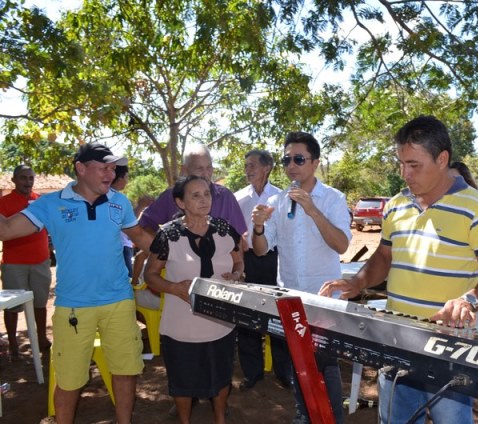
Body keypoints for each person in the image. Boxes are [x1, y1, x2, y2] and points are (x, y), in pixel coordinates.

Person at [319, 115, 478, 424]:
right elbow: (383, 258)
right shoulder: (395, 205)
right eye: (400, 163)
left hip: (449, 344)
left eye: (414, 164)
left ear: (442, 158)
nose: (404, 173)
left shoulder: (477, 209)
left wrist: (468, 301)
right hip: (398, 340)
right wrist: (357, 282)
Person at [0, 143, 153, 424]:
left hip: (119, 301)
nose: (111, 173)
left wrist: (178, 252)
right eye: (104, 167)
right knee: (69, 379)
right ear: (81, 169)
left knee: (125, 370)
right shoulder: (51, 203)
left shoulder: (119, 202)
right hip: (73, 306)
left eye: (113, 168)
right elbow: (7, 230)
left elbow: (140, 237)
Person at [251, 131, 352, 424]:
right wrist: (258, 227)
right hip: (291, 298)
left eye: (299, 159)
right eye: (286, 160)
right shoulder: (277, 200)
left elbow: (342, 245)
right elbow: (260, 250)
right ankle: (303, 414)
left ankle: (331, 418)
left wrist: (312, 209)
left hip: (323, 299)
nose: (291, 165)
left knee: (325, 363)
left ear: (315, 162)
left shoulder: (333, 198)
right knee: (298, 360)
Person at [144, 175, 244, 424]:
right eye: (195, 195)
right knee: (182, 380)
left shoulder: (224, 229)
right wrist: (174, 288)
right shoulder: (168, 235)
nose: (203, 200)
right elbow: (151, 275)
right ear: (180, 202)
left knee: (221, 375)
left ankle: (220, 418)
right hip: (181, 325)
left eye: (207, 194)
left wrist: (237, 275)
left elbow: (240, 260)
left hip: (221, 322)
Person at [234, 149, 292, 390]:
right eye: (246, 165)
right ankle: (252, 373)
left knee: (277, 315)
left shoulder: (281, 197)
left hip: (274, 260)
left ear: (267, 168)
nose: (248, 170)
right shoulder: (238, 198)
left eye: (252, 165)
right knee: (247, 316)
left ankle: (283, 372)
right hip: (247, 260)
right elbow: (233, 230)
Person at [0, 164, 52, 359]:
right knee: (13, 306)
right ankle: (13, 344)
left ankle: (41, 338)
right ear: (14, 180)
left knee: (40, 302)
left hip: (41, 260)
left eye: (31, 178)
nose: (28, 182)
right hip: (14, 263)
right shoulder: (3, 202)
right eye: (23, 178)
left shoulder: (41, 201)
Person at [139, 144, 246, 236]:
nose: (205, 174)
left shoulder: (225, 196)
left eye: (209, 168)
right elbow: (144, 226)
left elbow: (240, 239)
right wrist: (164, 251)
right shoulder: (170, 197)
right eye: (199, 169)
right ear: (185, 170)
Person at [111, 164, 134, 277]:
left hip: (119, 246)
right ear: (120, 178)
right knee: (126, 278)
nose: (127, 181)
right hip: (122, 246)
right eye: (126, 177)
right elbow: (130, 225)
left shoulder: (102, 196)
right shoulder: (118, 199)